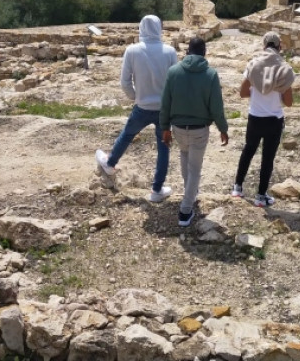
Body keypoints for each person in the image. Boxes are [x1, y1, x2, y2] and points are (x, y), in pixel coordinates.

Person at [95, 15, 178, 203]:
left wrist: (135, 96)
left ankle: (110, 163)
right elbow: (176, 81)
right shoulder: (170, 51)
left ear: (141, 28)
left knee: (127, 135)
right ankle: (157, 190)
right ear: (159, 28)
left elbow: (124, 82)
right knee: (164, 147)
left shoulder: (132, 51)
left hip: (142, 106)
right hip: (164, 109)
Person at [160, 37, 229, 227]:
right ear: (204, 52)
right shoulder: (211, 74)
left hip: (178, 128)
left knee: (184, 156)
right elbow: (216, 107)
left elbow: (165, 103)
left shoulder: (173, 72)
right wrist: (223, 129)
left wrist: (164, 127)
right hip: (199, 130)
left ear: (188, 51)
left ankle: (190, 193)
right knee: (195, 170)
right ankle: (185, 210)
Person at [231, 31, 295, 207]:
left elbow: (243, 92)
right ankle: (260, 196)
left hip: (255, 117)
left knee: (248, 151)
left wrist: (255, 92)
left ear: (264, 45)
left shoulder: (253, 64)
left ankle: (237, 187)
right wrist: (279, 95)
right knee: (268, 158)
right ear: (279, 46)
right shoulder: (285, 68)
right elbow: (288, 102)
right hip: (274, 120)